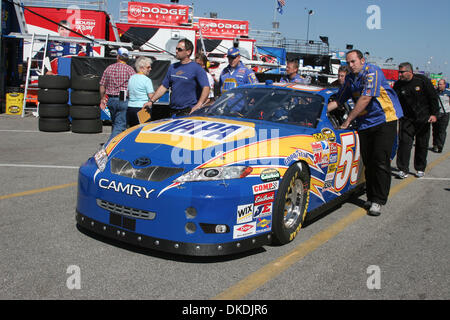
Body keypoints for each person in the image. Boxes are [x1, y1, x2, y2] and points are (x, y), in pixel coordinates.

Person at [327, 50, 403, 216]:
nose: (351, 65)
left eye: (354, 61)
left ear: (362, 60)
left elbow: (365, 98)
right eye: (348, 62)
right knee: (368, 161)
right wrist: (320, 111)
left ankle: (378, 200)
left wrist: (347, 121)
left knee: (380, 160)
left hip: (385, 120)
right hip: (365, 123)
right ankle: (371, 195)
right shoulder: (349, 78)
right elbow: (338, 100)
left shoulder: (372, 71)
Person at [393, 62, 439, 179]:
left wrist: (434, 114)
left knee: (422, 144)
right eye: (399, 72)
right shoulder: (398, 85)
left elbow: (433, 98)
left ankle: (420, 168)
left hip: (423, 118)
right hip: (406, 119)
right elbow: (394, 101)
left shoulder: (422, 81)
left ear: (410, 71)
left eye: (402, 72)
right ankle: (403, 169)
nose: (400, 75)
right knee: (404, 144)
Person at [144, 39, 210, 116]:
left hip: (189, 111)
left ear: (188, 52)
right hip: (173, 111)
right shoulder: (173, 67)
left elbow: (206, 87)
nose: (176, 51)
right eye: (176, 48)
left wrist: (199, 105)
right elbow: (164, 87)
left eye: (179, 49)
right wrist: (151, 101)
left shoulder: (197, 68)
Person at [99, 48, 136, 142]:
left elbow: (102, 85)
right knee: (120, 124)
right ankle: (111, 143)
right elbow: (134, 85)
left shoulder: (109, 68)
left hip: (111, 99)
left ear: (118, 56)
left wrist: (102, 98)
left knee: (115, 123)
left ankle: (115, 141)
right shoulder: (130, 70)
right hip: (124, 99)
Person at [127, 56, 154, 127]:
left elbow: (128, 94)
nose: (150, 69)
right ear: (142, 68)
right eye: (148, 67)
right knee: (143, 130)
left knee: (132, 130)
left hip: (130, 107)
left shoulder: (131, 78)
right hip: (143, 108)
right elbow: (151, 97)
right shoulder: (147, 80)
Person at [431, 79, 450, 153]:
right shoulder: (435, 92)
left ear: (445, 85)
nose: (439, 86)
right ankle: (435, 144)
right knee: (435, 130)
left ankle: (440, 145)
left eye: (441, 84)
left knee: (442, 130)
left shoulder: (448, 93)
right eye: (439, 84)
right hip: (436, 114)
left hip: (445, 114)